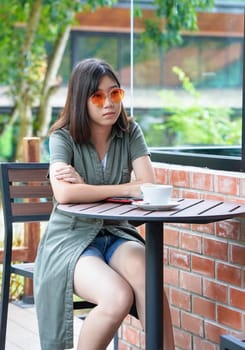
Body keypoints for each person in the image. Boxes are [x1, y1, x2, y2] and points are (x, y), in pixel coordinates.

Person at [34, 58, 175, 350]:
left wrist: (87, 186)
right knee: (117, 297)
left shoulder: (130, 132)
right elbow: (65, 194)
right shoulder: (63, 137)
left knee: (149, 280)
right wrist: (126, 188)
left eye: (115, 93)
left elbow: (147, 187)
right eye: (97, 96)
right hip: (71, 239)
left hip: (117, 233)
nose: (108, 103)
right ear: (80, 101)